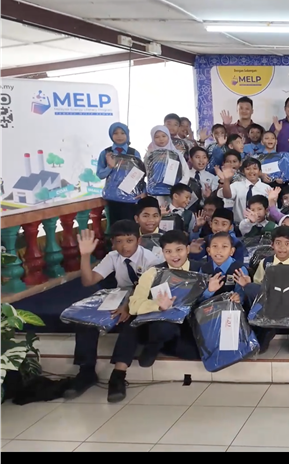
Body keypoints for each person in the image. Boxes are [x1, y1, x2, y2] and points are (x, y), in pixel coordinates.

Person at [65, 221, 158, 402]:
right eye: (119, 241)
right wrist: (85, 255)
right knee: (85, 321)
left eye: (129, 241)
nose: (124, 246)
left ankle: (118, 375)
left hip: (144, 299)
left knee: (131, 323)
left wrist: (129, 306)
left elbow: (149, 291)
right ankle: (86, 371)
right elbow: (88, 281)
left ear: (138, 241)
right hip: (120, 297)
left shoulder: (150, 260)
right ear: (113, 243)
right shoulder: (113, 256)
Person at [127, 230, 205, 373]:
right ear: (162, 252)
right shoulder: (153, 273)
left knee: (198, 352)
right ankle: (153, 346)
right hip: (162, 323)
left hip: (189, 325)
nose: (174, 255)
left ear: (188, 249)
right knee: (163, 328)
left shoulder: (201, 270)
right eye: (168, 251)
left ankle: (165, 345)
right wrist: (157, 305)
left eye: (179, 250)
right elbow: (133, 305)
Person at [238, 225, 289, 354]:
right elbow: (259, 284)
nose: (282, 247)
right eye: (278, 243)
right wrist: (248, 284)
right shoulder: (266, 262)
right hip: (272, 300)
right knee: (250, 288)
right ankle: (266, 329)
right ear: (272, 244)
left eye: (287, 244)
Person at [98, 122, 141, 224]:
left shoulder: (134, 153)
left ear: (127, 134)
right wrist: (109, 167)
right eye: (115, 133)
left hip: (130, 197)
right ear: (111, 135)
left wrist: (142, 191)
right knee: (115, 226)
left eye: (122, 133)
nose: (119, 136)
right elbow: (100, 174)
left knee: (130, 225)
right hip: (112, 197)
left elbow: (139, 174)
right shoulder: (106, 153)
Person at [217, 157, 273, 225]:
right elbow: (227, 195)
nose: (251, 171)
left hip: (260, 226)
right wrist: (226, 180)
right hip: (239, 225)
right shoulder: (237, 185)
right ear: (243, 171)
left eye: (255, 168)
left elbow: (271, 210)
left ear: (260, 171)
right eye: (248, 169)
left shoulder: (267, 188)